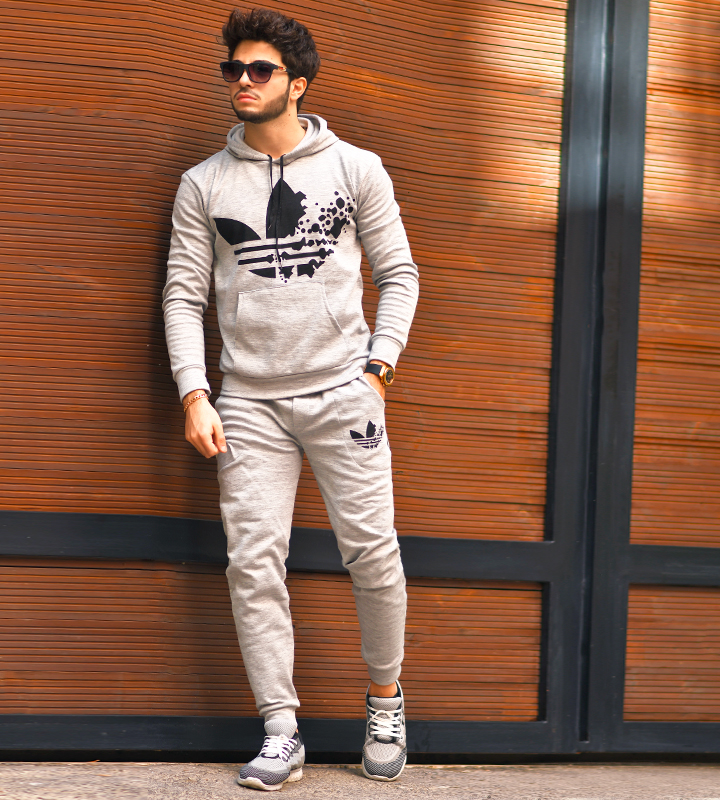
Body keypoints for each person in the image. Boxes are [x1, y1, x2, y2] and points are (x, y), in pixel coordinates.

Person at [163, 7, 419, 791]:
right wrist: (195, 393)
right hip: (248, 403)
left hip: (344, 393)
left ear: (297, 84)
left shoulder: (357, 168)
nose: (242, 81)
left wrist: (377, 372)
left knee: (373, 555)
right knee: (253, 564)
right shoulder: (204, 183)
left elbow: (400, 275)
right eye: (233, 69)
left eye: (259, 70)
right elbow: (183, 295)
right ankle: (281, 730)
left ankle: (385, 702)